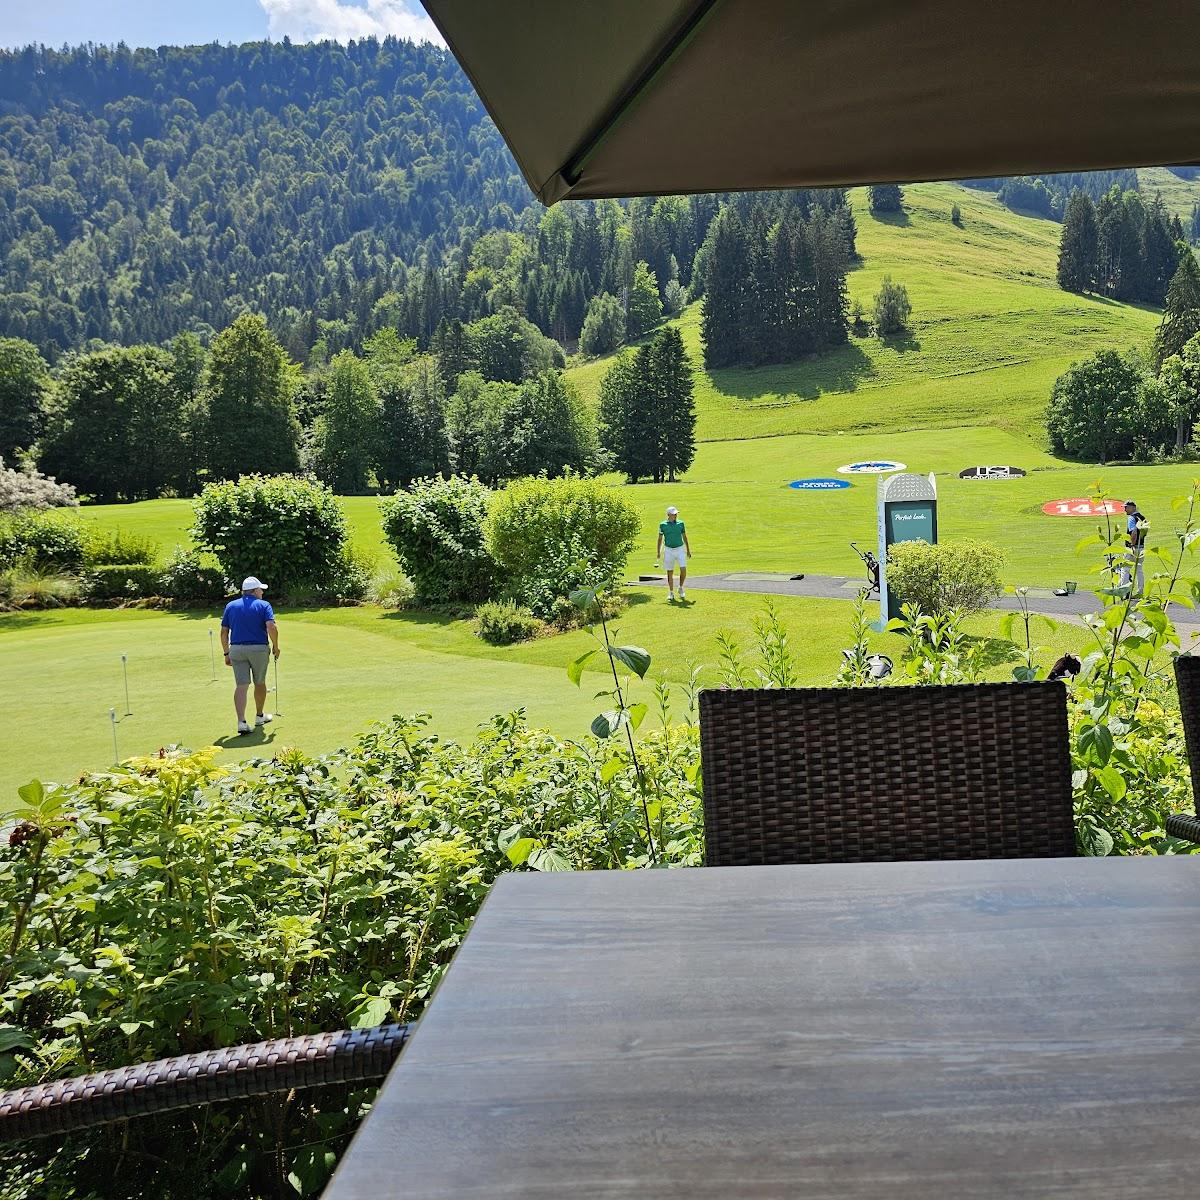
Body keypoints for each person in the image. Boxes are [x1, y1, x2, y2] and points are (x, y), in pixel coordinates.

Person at [220, 576, 280, 735]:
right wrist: (276, 646)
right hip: (258, 649)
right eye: (260, 590)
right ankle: (259, 716)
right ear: (254, 591)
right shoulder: (264, 605)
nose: (262, 592)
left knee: (241, 685)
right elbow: (271, 627)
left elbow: (224, 632)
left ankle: (241, 722)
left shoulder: (231, 606)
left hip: (236, 650)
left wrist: (226, 653)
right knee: (259, 682)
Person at [656, 505, 692, 602]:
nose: (675, 515)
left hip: (680, 549)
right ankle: (671, 592)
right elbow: (660, 539)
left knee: (683, 569)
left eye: (676, 514)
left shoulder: (681, 523)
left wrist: (688, 550)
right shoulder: (662, 525)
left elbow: (684, 537)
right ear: (668, 515)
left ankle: (680, 587)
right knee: (670, 572)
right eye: (673, 514)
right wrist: (658, 552)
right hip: (668, 550)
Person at [1119, 500, 1147, 596]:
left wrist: (1132, 545)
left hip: (1132, 548)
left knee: (1125, 569)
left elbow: (1134, 532)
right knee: (1139, 570)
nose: (1125, 509)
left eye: (1126, 507)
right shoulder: (1142, 518)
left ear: (1133, 508)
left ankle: (1124, 592)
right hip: (1141, 548)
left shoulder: (1131, 518)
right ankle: (1140, 592)